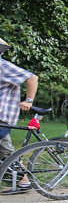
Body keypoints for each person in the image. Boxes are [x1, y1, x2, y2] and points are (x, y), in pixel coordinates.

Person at [0, 38, 39, 189]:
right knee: (5, 150)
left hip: (3, 116)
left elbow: (32, 78)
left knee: (6, 149)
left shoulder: (3, 66)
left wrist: (28, 100)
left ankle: (22, 180)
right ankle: (21, 180)